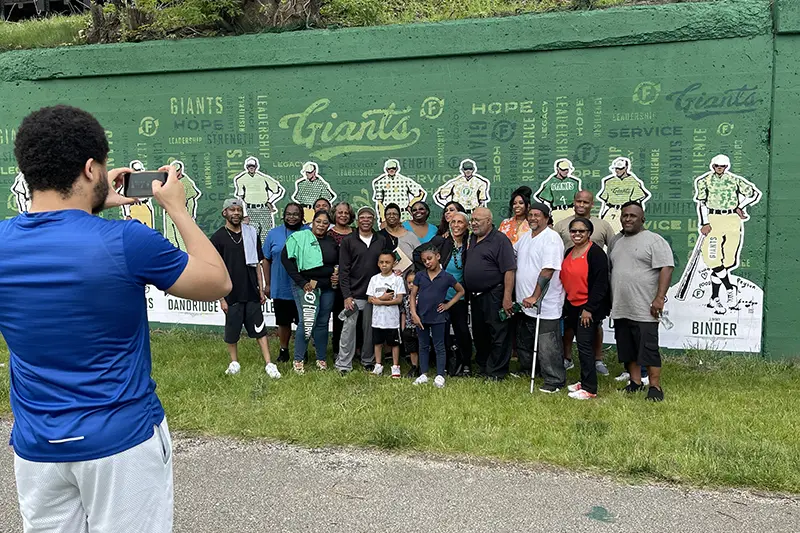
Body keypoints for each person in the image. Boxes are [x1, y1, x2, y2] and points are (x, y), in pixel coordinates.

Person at [0, 105, 231, 532]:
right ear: (91, 169)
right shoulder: (127, 240)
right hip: (121, 442)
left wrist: (88, 206)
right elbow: (217, 282)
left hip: (37, 446)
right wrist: (178, 209)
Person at [608, 201, 674, 402]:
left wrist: (659, 298)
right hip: (621, 306)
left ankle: (655, 387)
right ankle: (635, 383)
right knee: (627, 348)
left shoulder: (654, 241)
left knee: (648, 349)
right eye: (625, 215)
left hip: (645, 307)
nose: (628, 219)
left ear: (642, 219)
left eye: (633, 216)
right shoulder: (616, 241)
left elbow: (667, 267)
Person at [211, 198, 281, 378]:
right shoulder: (218, 237)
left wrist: (260, 290)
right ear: (224, 213)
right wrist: (221, 298)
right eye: (232, 210)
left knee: (260, 329)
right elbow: (215, 270)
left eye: (238, 210)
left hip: (250, 290)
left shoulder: (250, 233)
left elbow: (257, 264)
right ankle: (234, 363)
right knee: (232, 330)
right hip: (230, 292)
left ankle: (269, 364)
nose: (236, 213)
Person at [554, 190, 616, 374]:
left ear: (592, 204)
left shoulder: (603, 225)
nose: (581, 205)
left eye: (585, 202)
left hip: (592, 285)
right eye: (578, 201)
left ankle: (597, 360)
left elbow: (613, 250)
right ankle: (567, 358)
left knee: (594, 325)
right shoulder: (561, 225)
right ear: (573, 202)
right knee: (569, 325)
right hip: (568, 283)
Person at [693, 154, 761, 313]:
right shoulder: (704, 181)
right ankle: (730, 289)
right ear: (712, 166)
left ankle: (714, 297)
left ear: (726, 167)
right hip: (713, 218)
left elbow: (754, 194)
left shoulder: (734, 180)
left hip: (732, 219)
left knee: (728, 260)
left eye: (722, 166)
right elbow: (702, 203)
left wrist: (741, 206)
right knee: (712, 258)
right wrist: (705, 222)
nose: (719, 168)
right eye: (717, 165)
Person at [515, 203, 566, 393]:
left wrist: (536, 295)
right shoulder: (527, 236)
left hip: (544, 303)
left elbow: (548, 270)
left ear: (546, 218)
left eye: (537, 215)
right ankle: (531, 369)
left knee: (547, 343)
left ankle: (555, 380)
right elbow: (513, 253)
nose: (532, 218)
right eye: (530, 215)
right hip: (524, 302)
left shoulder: (551, 238)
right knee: (527, 339)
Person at [414, 211, 472, 376]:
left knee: (462, 330)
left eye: (460, 222)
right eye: (453, 222)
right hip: (439, 297)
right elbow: (419, 254)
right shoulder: (442, 241)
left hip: (457, 296)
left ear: (466, 225)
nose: (456, 225)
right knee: (443, 333)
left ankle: (465, 363)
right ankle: (444, 366)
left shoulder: (471, 243)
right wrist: (424, 277)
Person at [282, 209, 339, 374]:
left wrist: (336, 275)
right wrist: (301, 282)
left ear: (329, 226)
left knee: (322, 323)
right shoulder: (299, 237)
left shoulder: (331, 241)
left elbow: (337, 263)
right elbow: (286, 260)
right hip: (307, 285)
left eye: (325, 223)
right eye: (318, 221)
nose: (321, 225)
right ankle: (298, 359)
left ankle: (321, 358)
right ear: (312, 222)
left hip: (327, 286)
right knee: (306, 322)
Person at [560, 218, 611, 400]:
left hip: (588, 308)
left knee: (584, 347)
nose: (577, 234)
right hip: (572, 306)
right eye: (573, 231)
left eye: (581, 231)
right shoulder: (569, 251)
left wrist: (589, 308)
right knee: (580, 346)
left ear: (589, 233)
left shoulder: (596, 253)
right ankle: (584, 380)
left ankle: (590, 389)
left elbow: (600, 284)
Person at [464, 207, 516, 380]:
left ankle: (497, 371)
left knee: (498, 333)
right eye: (472, 220)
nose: (474, 223)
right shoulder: (471, 238)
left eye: (478, 220)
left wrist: (507, 297)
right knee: (480, 334)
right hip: (476, 296)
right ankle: (484, 367)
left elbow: (509, 270)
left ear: (489, 221)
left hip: (494, 294)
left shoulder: (500, 240)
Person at [336, 206, 388, 373]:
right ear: (358, 220)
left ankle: (367, 360)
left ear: (374, 220)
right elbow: (343, 270)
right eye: (362, 217)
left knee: (369, 330)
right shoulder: (348, 241)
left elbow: (387, 263)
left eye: (369, 217)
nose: (366, 220)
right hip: (354, 294)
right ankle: (344, 364)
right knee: (348, 329)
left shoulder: (380, 240)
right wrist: (347, 295)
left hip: (374, 294)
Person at [409, 244, 465, 388]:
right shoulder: (420, 275)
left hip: (439, 317)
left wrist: (448, 305)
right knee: (423, 345)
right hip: (421, 316)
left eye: (429, 259)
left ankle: (440, 375)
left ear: (438, 256)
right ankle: (424, 373)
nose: (427, 262)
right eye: (424, 261)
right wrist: (414, 313)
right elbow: (413, 294)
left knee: (439, 346)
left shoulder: (447, 277)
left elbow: (461, 291)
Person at [264, 203, 305, 362]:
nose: (292, 217)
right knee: (283, 322)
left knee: (303, 322)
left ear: (302, 216)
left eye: (296, 214)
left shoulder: (308, 232)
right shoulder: (273, 234)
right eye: (288, 214)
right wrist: (267, 284)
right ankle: (284, 350)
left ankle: (302, 351)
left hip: (303, 288)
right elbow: (266, 260)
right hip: (280, 286)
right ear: (283, 215)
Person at [366, 251, 407, 378]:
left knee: (394, 343)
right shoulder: (374, 279)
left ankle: (395, 366)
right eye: (382, 262)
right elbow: (369, 299)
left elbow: (399, 299)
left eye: (388, 262)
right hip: (377, 320)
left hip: (392, 320)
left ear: (393, 263)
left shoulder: (397, 280)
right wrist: (382, 299)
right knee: (377, 343)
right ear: (378, 264)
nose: (384, 265)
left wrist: (379, 301)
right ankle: (378, 364)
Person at [233, 156, 285, 238]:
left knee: (266, 235)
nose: (251, 168)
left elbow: (278, 190)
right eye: (249, 166)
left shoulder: (263, 178)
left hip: (264, 210)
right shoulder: (241, 179)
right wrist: (244, 214)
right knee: (253, 236)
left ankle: (265, 251)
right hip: (251, 210)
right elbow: (240, 198)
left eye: (253, 166)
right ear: (247, 167)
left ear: (256, 167)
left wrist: (269, 201)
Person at [328, 201, 355, 360]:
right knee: (340, 317)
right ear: (334, 214)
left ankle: (355, 349)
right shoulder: (329, 234)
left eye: (346, 212)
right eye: (340, 212)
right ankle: (337, 350)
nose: (343, 215)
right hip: (336, 283)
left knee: (355, 318)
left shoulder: (357, 233)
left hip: (356, 282)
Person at [598, 157, 651, 234]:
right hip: (611, 211)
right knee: (605, 235)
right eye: (616, 168)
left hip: (625, 212)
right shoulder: (609, 182)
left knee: (623, 236)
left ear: (626, 168)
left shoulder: (633, 181)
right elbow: (605, 201)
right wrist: (603, 215)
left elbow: (637, 200)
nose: (617, 171)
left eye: (620, 168)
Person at [371, 158, 427, 224]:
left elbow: (421, 193)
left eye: (393, 168)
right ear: (386, 169)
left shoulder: (404, 180)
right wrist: (383, 219)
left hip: (404, 214)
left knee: (408, 233)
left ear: (397, 169)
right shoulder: (380, 182)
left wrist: (410, 205)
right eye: (389, 168)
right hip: (389, 215)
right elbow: (379, 203)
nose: (391, 170)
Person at [162, 159, 201, 252]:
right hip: (169, 214)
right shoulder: (169, 182)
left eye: (177, 171)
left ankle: (186, 257)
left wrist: (189, 215)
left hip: (181, 214)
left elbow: (191, 200)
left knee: (182, 238)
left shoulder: (186, 182)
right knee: (171, 238)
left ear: (180, 170)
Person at [534, 159, 583, 225]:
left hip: (570, 211)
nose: (565, 171)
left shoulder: (574, 182)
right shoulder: (551, 182)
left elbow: (578, 200)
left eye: (567, 169)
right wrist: (547, 215)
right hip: (556, 212)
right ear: (558, 169)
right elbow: (546, 202)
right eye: (563, 169)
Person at [379, 202, 421, 274]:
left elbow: (420, 256)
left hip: (409, 278)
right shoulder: (379, 236)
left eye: (395, 214)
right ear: (385, 217)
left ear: (399, 217)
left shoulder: (410, 236)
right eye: (389, 214)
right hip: (387, 278)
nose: (391, 216)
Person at [401, 270, 421, 377]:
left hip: (420, 327)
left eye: (414, 282)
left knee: (421, 347)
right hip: (409, 327)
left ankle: (422, 367)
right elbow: (403, 313)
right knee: (412, 349)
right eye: (409, 283)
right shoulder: (405, 298)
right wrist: (403, 328)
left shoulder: (422, 297)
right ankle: (414, 366)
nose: (411, 285)